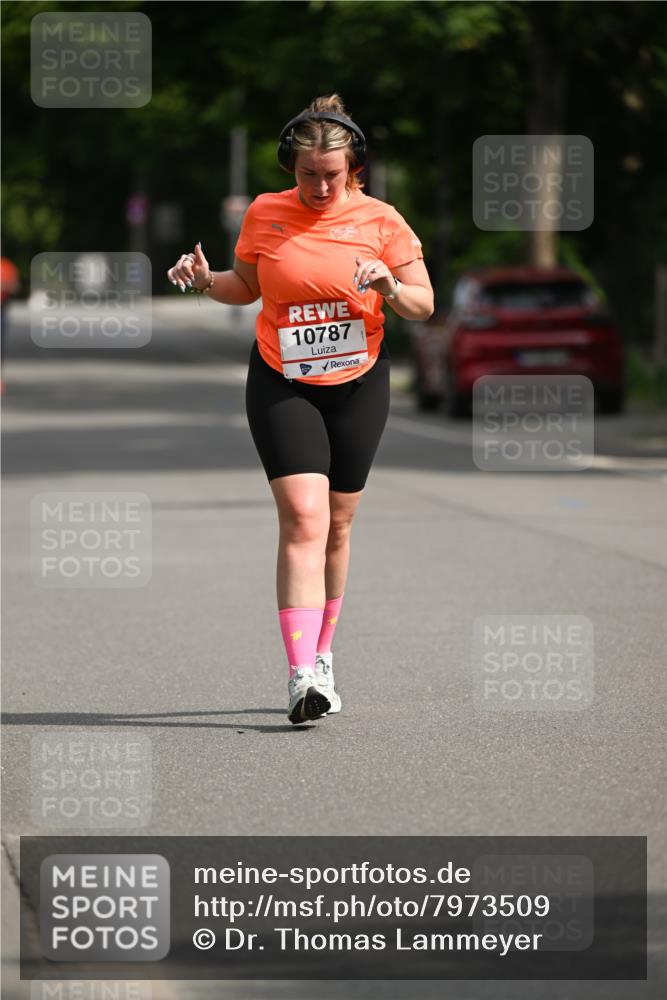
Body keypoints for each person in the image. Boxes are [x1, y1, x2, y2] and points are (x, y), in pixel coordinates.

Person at [167, 94, 433, 724]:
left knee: (339, 525)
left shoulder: (382, 220)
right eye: (307, 174)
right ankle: (300, 675)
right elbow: (247, 287)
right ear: (291, 167)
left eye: (332, 176)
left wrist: (391, 287)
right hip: (282, 377)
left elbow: (423, 305)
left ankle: (323, 652)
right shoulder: (265, 213)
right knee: (304, 518)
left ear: (354, 167)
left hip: (359, 383)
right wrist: (205, 281)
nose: (319, 186)